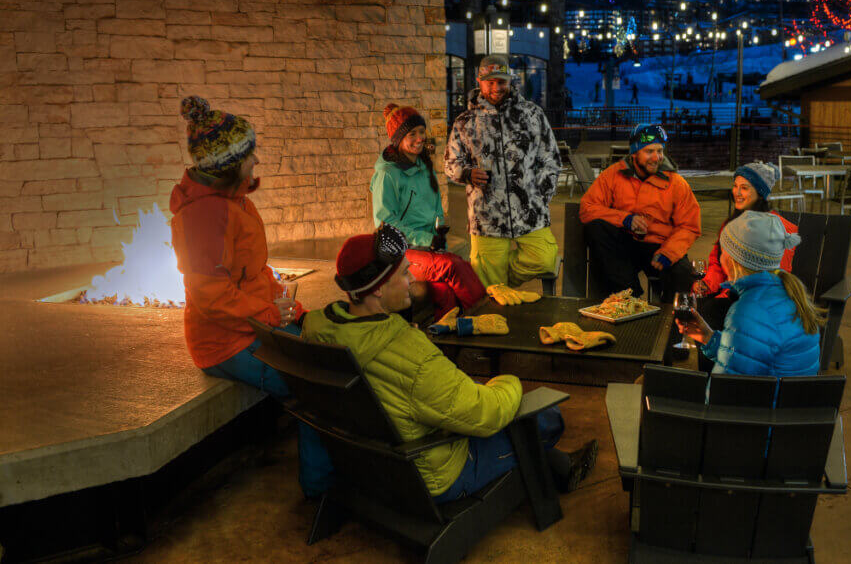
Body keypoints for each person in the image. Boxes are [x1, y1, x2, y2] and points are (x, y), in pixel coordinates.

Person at [302, 224, 598, 502]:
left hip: (365, 462)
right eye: (405, 274)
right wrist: (510, 382)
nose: (413, 280)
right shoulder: (406, 351)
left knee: (483, 403)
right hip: (429, 475)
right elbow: (483, 413)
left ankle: (561, 466)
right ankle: (559, 468)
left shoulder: (318, 330)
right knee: (543, 416)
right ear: (378, 288)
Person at [169, 95, 333, 498]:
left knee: (330, 351)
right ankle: (324, 487)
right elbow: (212, 298)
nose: (256, 160)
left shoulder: (234, 201)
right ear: (229, 165)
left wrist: (281, 302)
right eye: (249, 154)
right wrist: (271, 315)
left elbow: (253, 272)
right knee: (316, 386)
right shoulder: (205, 216)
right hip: (225, 344)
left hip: (254, 324)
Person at [444, 55, 561, 289]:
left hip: (530, 214)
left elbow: (551, 160)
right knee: (489, 291)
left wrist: (540, 197)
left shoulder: (532, 114)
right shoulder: (464, 121)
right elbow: (450, 163)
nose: (496, 88)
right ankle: (494, 288)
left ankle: (500, 280)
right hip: (487, 218)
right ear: (479, 81)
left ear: (510, 81)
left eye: (502, 82)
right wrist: (467, 173)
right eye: (490, 82)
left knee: (546, 259)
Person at [371, 103, 485, 320]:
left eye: (421, 132)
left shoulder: (424, 167)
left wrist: (438, 239)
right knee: (454, 265)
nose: (419, 138)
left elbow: (435, 212)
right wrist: (427, 239)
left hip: (427, 247)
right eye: (412, 134)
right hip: (401, 251)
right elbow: (385, 224)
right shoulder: (387, 175)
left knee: (446, 293)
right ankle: (485, 316)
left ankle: (448, 338)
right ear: (397, 139)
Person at [680, 211, 822, 377]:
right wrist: (708, 338)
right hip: (790, 398)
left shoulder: (746, 311)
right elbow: (749, 359)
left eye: (723, 250)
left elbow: (722, 385)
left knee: (646, 381)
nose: (720, 256)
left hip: (760, 400)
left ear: (733, 261)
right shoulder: (789, 294)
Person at [689, 162, 799, 370]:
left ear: (760, 192)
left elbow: (776, 274)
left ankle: (716, 376)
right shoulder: (731, 222)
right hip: (730, 292)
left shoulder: (777, 229)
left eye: (744, 187)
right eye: (735, 185)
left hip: (756, 298)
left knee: (708, 313)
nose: (737, 193)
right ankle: (712, 372)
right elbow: (716, 262)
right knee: (696, 304)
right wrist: (707, 283)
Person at [579, 123, 701, 302]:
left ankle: (670, 320)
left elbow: (690, 226)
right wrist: (625, 219)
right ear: (634, 152)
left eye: (659, 151)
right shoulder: (613, 175)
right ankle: (629, 298)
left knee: (683, 273)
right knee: (596, 227)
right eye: (649, 151)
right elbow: (587, 208)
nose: (656, 157)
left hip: (661, 247)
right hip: (626, 245)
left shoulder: (676, 183)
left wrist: (669, 252)